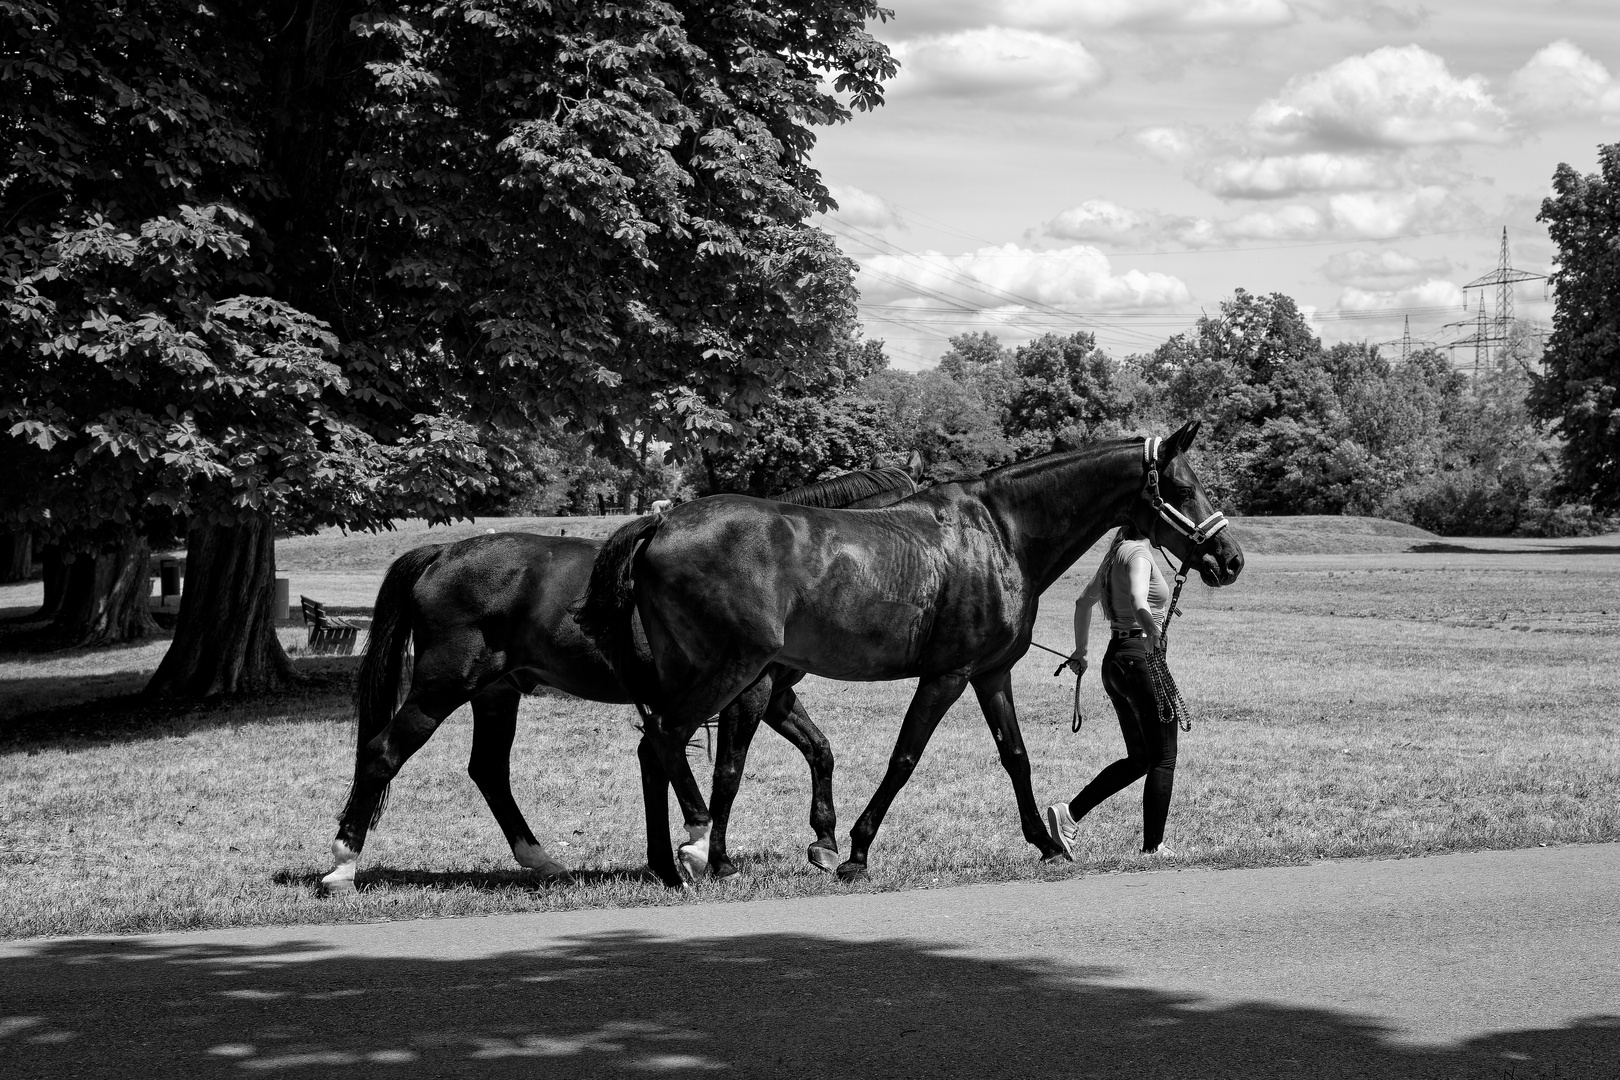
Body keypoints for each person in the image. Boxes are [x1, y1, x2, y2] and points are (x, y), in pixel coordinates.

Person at [1045, 523, 1179, 860]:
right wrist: (1153, 631)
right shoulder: (1138, 553)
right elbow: (1137, 599)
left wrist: (1080, 651)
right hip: (1139, 657)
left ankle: (1068, 814)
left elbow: (1082, 602)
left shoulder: (1113, 557)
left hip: (1115, 662)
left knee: (1142, 759)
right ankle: (1153, 847)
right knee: (1163, 757)